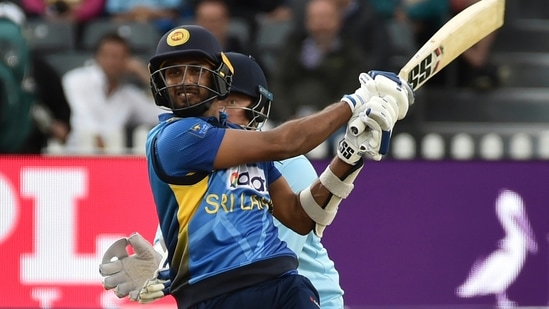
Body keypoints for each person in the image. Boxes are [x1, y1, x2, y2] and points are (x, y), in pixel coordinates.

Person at [101, 24, 413, 309]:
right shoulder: (175, 137)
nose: (182, 82)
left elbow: (299, 217)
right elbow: (283, 143)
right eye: (171, 74)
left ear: (218, 77)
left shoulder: (246, 144)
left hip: (281, 282)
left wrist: (349, 155)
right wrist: (355, 102)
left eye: (194, 71)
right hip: (218, 295)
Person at [61, 31, 161, 154]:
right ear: (97, 57)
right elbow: (85, 123)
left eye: (117, 56)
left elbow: (161, 114)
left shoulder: (129, 95)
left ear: (127, 60)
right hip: (77, 157)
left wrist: (144, 74)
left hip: (111, 162)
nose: (112, 62)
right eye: (107, 55)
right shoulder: (76, 79)